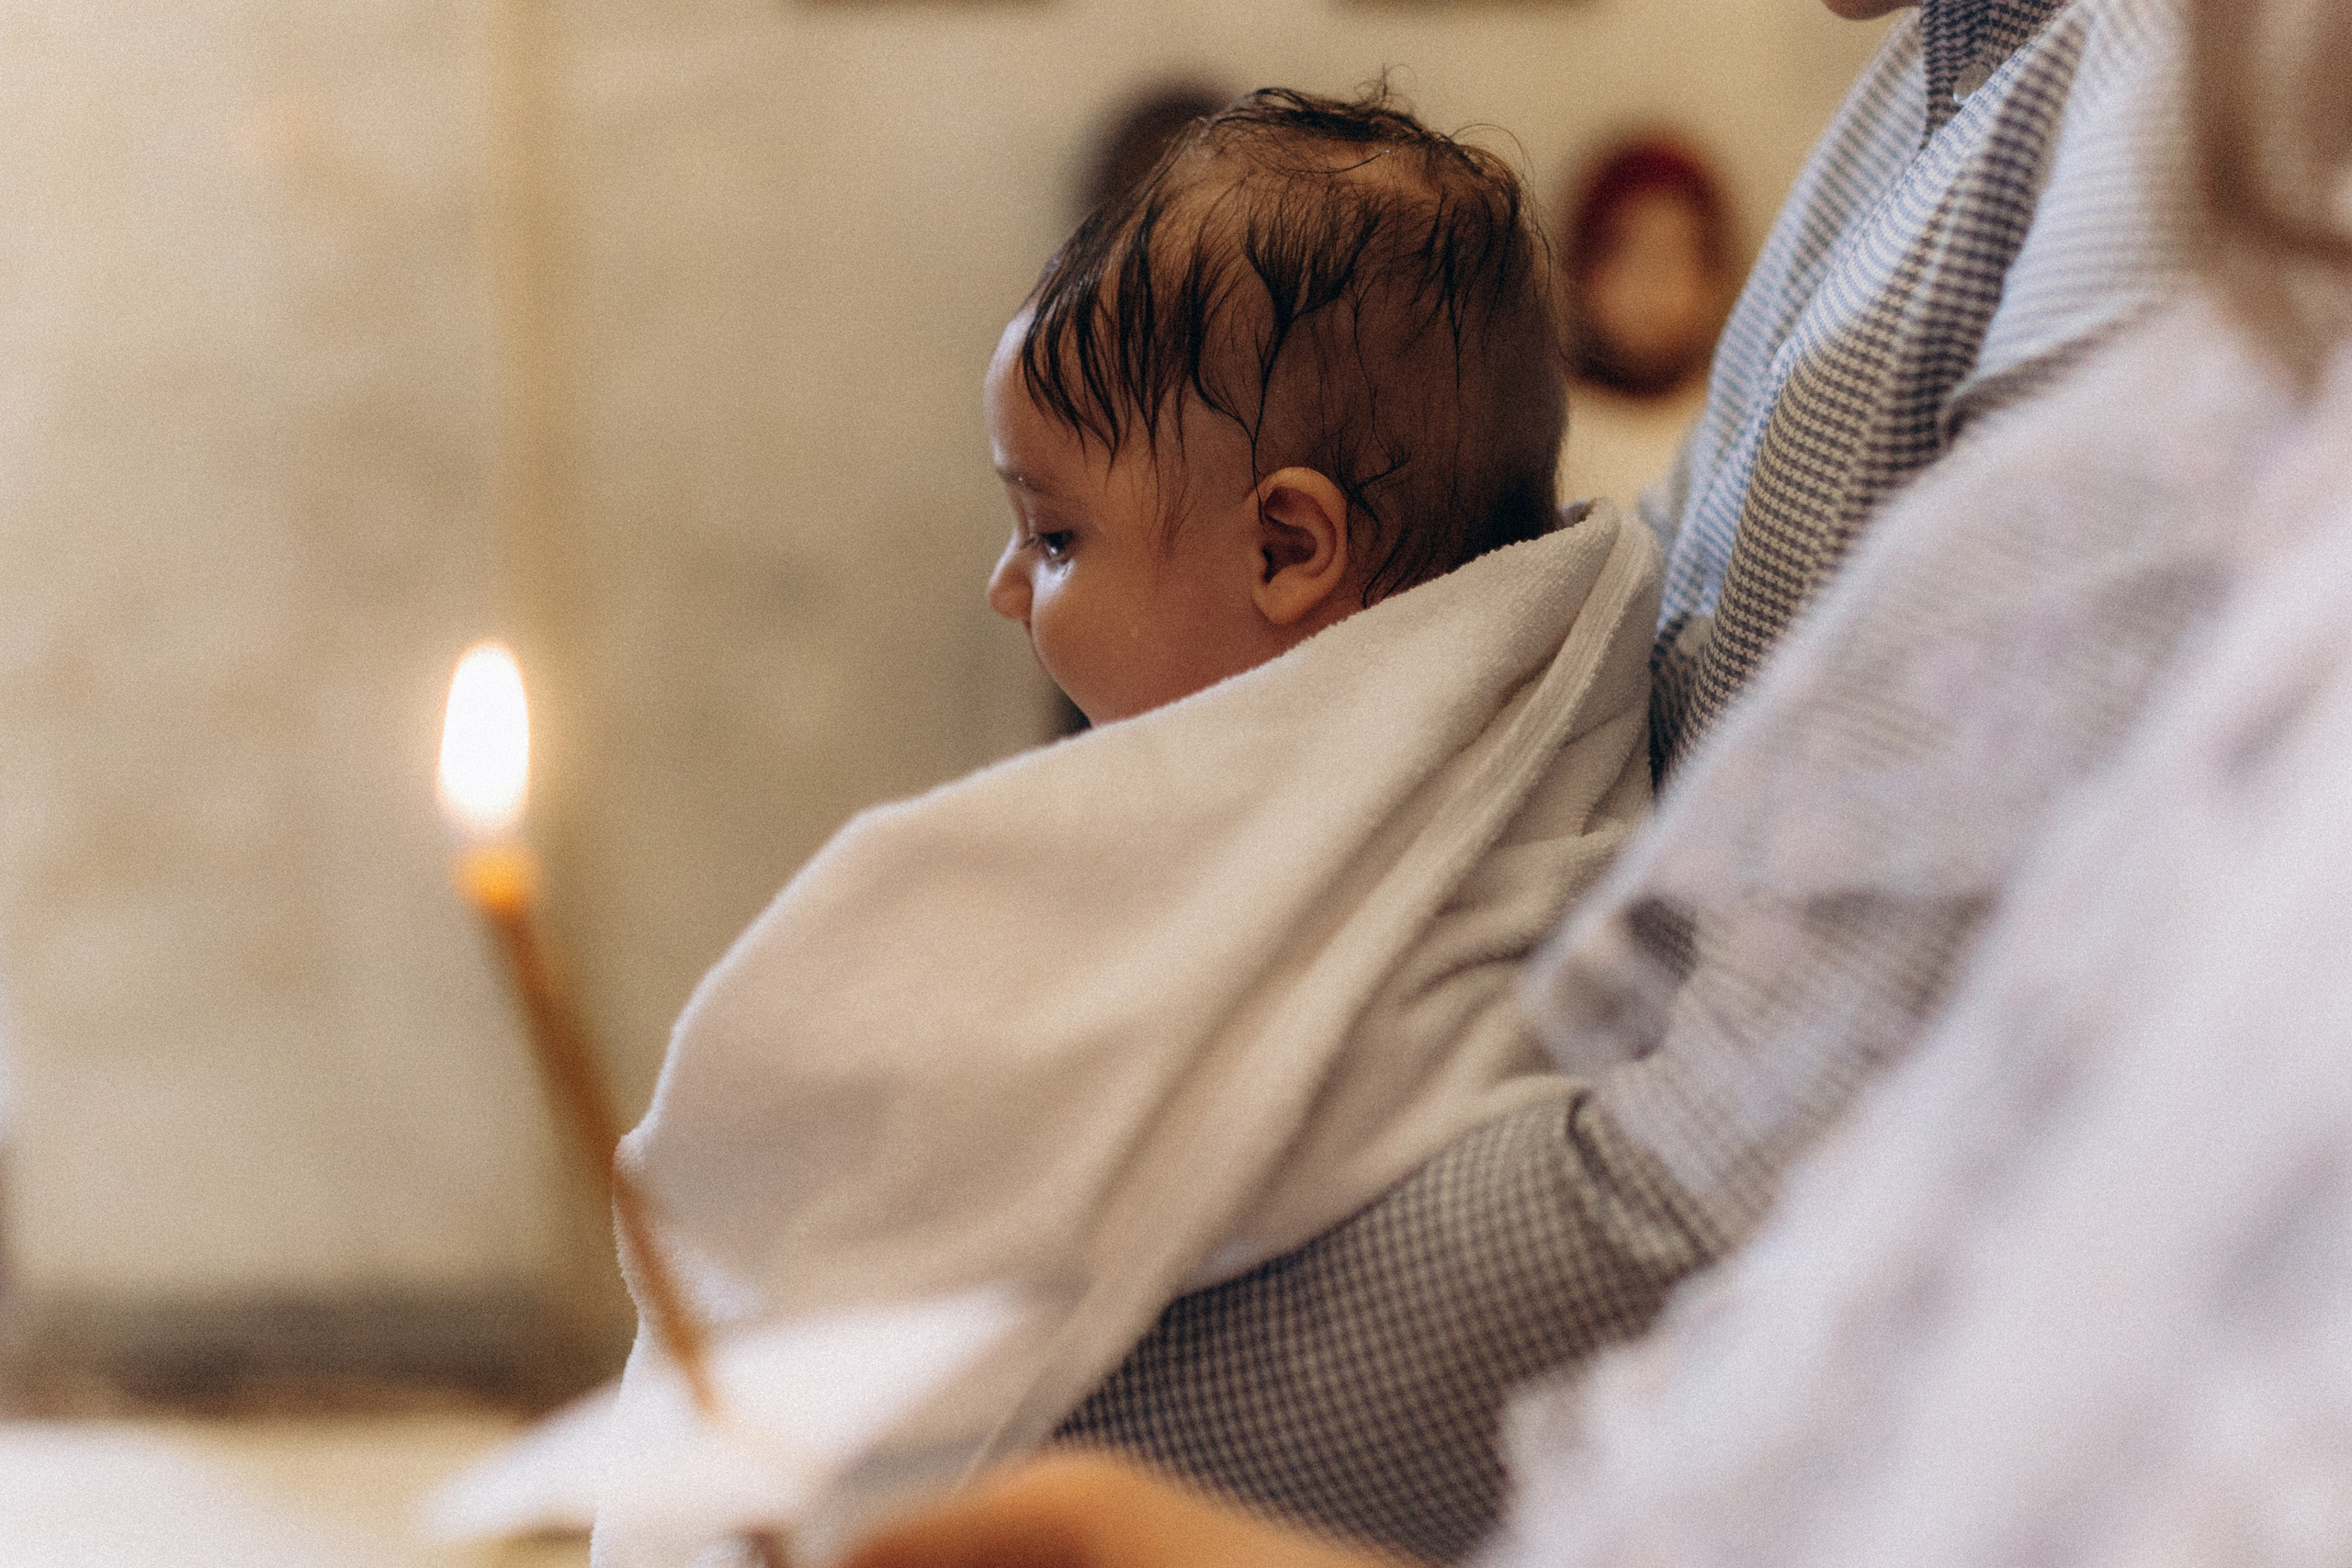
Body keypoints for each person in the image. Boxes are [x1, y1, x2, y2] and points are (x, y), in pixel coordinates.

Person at [839, 0, 2352, 1562]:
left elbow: (1730, 1171)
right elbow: (1626, 670)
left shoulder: (2186, 130)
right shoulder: (1937, 68)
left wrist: (994, 1426)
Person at [592, 90, 1661, 1567]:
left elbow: (876, 1079)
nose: (1006, 585)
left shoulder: (1444, 797)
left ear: (1287, 546)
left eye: (1056, 535)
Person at [1550, 135, 1738, 515]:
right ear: (1582, 267)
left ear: (1713, 275)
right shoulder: (1547, 428)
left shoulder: (1730, 425)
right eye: (1628, 253)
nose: (1652, 284)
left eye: (1674, 254)